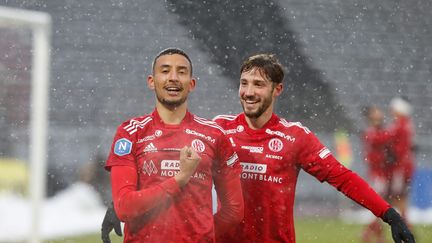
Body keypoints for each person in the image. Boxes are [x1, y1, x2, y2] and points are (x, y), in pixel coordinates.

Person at [102, 53, 415, 243]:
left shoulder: (296, 137)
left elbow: (342, 178)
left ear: (277, 90)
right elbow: (163, 161)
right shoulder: (217, 129)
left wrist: (389, 214)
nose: (248, 92)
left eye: (258, 85)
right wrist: (118, 205)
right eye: (244, 83)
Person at [102, 48, 243, 243]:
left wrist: (201, 237)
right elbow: (125, 207)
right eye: (165, 70)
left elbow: (234, 210)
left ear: (191, 84)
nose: (173, 78)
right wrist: (180, 178)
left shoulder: (214, 135)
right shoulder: (130, 132)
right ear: (151, 81)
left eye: (182, 72)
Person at [360, 105, 391, 243]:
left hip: (379, 173)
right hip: (377, 174)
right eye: (376, 112)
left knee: (380, 205)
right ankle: (368, 233)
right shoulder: (373, 133)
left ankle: (378, 237)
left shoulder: (375, 132)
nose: (379, 114)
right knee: (380, 206)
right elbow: (384, 139)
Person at [386, 97, 415, 224]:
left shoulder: (399, 125)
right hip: (405, 165)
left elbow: (391, 143)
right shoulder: (407, 124)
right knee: (400, 197)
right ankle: (406, 224)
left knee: (392, 197)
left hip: (400, 166)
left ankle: (372, 229)